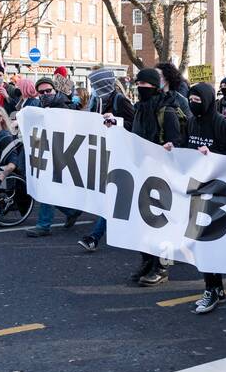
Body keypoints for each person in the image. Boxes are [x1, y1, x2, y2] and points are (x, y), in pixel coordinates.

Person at [185, 82, 226, 313]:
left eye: (198, 101)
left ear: (208, 101)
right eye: (191, 100)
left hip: (218, 192)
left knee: (206, 241)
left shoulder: (221, 124)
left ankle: (211, 289)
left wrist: (212, 156)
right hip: (196, 189)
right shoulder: (191, 122)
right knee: (199, 241)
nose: (193, 104)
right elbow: (185, 147)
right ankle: (215, 288)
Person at [131, 67, 189, 286]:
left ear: (154, 86)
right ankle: (147, 260)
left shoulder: (168, 110)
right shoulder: (141, 109)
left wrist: (168, 147)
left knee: (161, 221)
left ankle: (162, 266)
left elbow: (177, 142)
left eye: (144, 85)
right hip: (144, 171)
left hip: (163, 174)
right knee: (143, 220)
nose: (140, 89)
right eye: (137, 85)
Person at [76, 69, 134, 252]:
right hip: (107, 153)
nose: (92, 88)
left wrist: (116, 122)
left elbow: (134, 125)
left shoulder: (120, 100)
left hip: (122, 154)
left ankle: (95, 236)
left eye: (94, 84)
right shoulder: (99, 101)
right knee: (115, 197)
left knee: (113, 196)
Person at [24, 77, 84, 238]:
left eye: (48, 91)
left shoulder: (65, 105)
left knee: (46, 186)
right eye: (41, 92)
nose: (45, 94)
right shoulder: (40, 106)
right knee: (48, 187)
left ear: (55, 90)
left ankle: (44, 225)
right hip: (48, 151)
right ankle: (71, 211)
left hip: (64, 153)